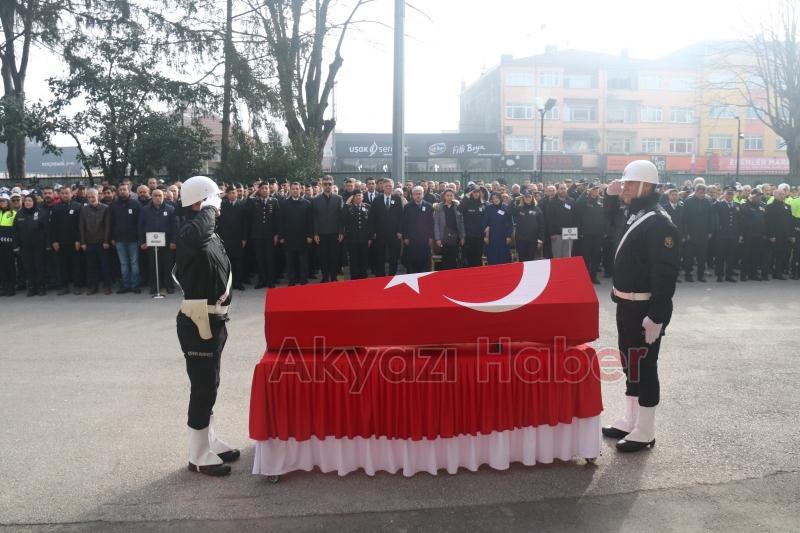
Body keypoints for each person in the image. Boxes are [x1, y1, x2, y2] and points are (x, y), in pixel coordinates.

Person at [602, 160, 679, 453]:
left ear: (646, 186)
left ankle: (645, 430)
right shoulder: (637, 214)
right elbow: (611, 225)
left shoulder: (659, 222)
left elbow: (665, 273)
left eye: (629, 184)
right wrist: (611, 197)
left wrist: (657, 316)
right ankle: (631, 419)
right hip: (626, 304)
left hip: (646, 308)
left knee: (646, 366)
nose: (624, 188)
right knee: (629, 362)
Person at [173, 175, 238, 477]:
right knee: (202, 388)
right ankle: (197, 454)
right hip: (199, 321)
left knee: (211, 384)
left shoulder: (207, 233)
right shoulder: (190, 232)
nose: (220, 204)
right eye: (216, 199)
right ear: (201, 202)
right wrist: (209, 207)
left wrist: (209, 208)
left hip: (214, 319)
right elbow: (197, 235)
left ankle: (209, 440)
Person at [138, 188, 177, 295]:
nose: (158, 197)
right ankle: (155, 287)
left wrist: (174, 241)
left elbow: (174, 226)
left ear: (163, 196)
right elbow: (141, 226)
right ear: (151, 196)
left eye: (160, 195)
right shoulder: (145, 210)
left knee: (167, 265)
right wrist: (142, 242)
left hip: (167, 242)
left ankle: (169, 286)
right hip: (151, 242)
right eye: (155, 195)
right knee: (153, 265)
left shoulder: (170, 209)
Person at [13, 194, 50, 296]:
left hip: (39, 246)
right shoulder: (19, 214)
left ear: (34, 202)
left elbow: (46, 230)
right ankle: (32, 287)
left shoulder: (41, 213)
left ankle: (41, 287)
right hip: (25, 247)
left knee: (39, 266)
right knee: (28, 267)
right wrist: (16, 246)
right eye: (26, 201)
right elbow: (15, 231)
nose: (28, 203)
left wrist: (47, 244)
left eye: (30, 201)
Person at [50, 186, 84, 295]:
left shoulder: (78, 207)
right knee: (62, 266)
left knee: (76, 265)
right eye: (63, 193)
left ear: (71, 194)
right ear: (60, 195)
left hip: (75, 242)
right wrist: (54, 241)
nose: (65, 195)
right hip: (60, 243)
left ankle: (77, 286)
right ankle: (64, 287)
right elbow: (53, 226)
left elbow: (80, 225)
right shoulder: (55, 208)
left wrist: (79, 240)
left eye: (67, 193)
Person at [110, 183, 142, 294]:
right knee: (123, 264)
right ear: (118, 191)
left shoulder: (136, 204)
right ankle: (125, 285)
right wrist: (112, 237)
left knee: (134, 263)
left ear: (129, 191)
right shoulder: (114, 205)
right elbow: (111, 223)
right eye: (120, 190)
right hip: (119, 239)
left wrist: (140, 238)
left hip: (133, 239)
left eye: (124, 189)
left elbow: (140, 222)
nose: (122, 191)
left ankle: (135, 285)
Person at [247, 182, 281, 289]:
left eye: (267, 188)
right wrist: (256, 190)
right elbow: (248, 200)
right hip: (257, 235)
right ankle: (262, 280)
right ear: (259, 190)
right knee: (260, 258)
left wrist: (276, 234)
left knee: (270, 258)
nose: (265, 190)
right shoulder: (254, 201)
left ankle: (270, 281)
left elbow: (277, 219)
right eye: (263, 188)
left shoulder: (274, 201)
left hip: (270, 235)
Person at [279, 182, 313, 286]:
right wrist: (282, 236)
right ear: (290, 190)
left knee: (303, 261)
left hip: (303, 237)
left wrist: (309, 235)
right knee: (290, 261)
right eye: (293, 189)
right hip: (289, 237)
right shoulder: (284, 204)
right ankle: (292, 280)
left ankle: (303, 280)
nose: (295, 190)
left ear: (300, 190)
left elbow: (310, 221)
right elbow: (281, 221)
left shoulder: (306, 203)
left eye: (297, 189)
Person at [79, 189, 112, 295]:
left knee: (105, 265)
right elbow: (81, 226)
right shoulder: (84, 209)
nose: (91, 199)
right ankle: (93, 286)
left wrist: (106, 241)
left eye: (93, 197)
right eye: (89, 197)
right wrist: (83, 242)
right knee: (91, 266)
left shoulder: (105, 208)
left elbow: (107, 226)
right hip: (89, 242)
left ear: (98, 196)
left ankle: (107, 286)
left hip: (102, 242)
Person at [311, 176, 344, 283]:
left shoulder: (339, 198)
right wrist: (315, 233)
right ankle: (325, 277)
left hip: (335, 233)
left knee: (334, 257)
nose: (327, 186)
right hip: (321, 233)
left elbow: (341, 217)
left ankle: (334, 277)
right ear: (322, 185)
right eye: (325, 184)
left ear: (333, 184)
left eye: (329, 184)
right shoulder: (316, 199)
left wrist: (341, 232)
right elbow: (314, 217)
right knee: (323, 257)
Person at [370, 178, 404, 277]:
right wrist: (373, 232)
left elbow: (401, 217)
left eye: (390, 186)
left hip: (394, 233)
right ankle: (380, 275)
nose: (388, 187)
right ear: (383, 187)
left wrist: (400, 231)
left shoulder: (397, 199)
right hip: (380, 233)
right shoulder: (377, 199)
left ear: (393, 187)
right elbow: (372, 217)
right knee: (380, 256)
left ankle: (392, 275)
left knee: (394, 256)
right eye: (386, 186)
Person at [217, 186, 248, 290]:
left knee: (239, 261)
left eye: (234, 192)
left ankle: (238, 283)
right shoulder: (223, 204)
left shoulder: (242, 204)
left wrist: (244, 238)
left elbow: (245, 223)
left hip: (238, 237)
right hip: (226, 237)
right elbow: (220, 222)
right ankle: (229, 283)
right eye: (230, 193)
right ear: (227, 194)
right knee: (228, 262)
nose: (232, 195)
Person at [682, 184, 714, 282]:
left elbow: (710, 218)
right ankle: (688, 274)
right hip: (691, 234)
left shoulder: (708, 202)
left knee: (702, 256)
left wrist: (710, 231)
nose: (702, 195)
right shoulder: (688, 202)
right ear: (695, 192)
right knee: (689, 256)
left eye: (704, 193)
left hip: (703, 233)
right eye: (700, 193)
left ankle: (701, 275)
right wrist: (686, 232)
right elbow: (684, 219)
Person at [577, 182, 605, 283]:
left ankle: (593, 277)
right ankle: (585, 277)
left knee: (596, 256)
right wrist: (585, 193)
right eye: (594, 189)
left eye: (597, 189)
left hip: (598, 233)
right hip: (587, 233)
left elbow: (605, 217)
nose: (596, 191)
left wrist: (604, 231)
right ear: (590, 190)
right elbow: (578, 205)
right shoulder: (584, 200)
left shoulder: (601, 200)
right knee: (586, 256)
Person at [402, 186, 434, 273]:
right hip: (412, 239)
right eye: (416, 194)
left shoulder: (429, 206)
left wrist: (431, 237)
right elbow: (404, 223)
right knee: (411, 261)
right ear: (412, 195)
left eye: (420, 194)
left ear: (423, 194)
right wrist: (405, 237)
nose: (418, 196)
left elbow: (431, 223)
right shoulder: (407, 207)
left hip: (425, 239)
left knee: (425, 260)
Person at [713, 186, 742, 283]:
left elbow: (739, 220)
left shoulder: (737, 205)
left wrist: (739, 234)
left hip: (733, 234)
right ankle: (720, 275)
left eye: (731, 194)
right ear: (724, 195)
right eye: (728, 194)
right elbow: (713, 213)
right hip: (722, 233)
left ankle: (729, 275)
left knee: (731, 256)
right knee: (720, 255)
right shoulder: (719, 204)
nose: (730, 196)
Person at [765, 188, 795, 280]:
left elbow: (790, 222)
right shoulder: (770, 207)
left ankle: (778, 273)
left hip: (785, 235)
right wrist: (771, 235)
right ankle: (765, 273)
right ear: (775, 195)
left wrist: (791, 235)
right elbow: (768, 223)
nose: (783, 196)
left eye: (783, 194)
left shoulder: (787, 206)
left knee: (782, 254)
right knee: (770, 255)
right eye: (780, 194)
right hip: (775, 235)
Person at [740, 188, 769, 281]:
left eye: (760, 196)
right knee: (746, 255)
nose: (759, 197)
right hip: (748, 235)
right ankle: (744, 275)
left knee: (756, 255)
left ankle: (753, 274)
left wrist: (764, 233)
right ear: (752, 196)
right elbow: (743, 217)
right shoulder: (745, 205)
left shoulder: (763, 205)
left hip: (759, 234)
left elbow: (765, 220)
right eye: (757, 196)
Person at [433, 189, 464, 270]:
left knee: (454, 259)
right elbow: (436, 224)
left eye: (451, 195)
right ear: (444, 196)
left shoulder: (457, 206)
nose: (449, 197)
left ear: (454, 196)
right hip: (444, 237)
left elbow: (461, 223)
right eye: (447, 195)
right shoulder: (439, 207)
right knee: (445, 259)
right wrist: (438, 238)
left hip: (455, 237)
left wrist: (462, 237)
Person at [343, 189, 371, 280]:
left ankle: (363, 276)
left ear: (363, 197)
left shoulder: (367, 207)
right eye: (356, 196)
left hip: (364, 238)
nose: (358, 197)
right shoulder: (348, 208)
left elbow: (371, 223)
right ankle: (354, 277)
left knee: (364, 259)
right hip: (352, 239)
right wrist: (347, 204)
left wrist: (370, 237)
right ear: (353, 197)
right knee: (353, 259)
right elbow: (342, 218)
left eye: (360, 195)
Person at [512, 189, 544, 262]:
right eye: (525, 197)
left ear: (532, 197)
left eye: (529, 197)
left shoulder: (537, 209)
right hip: (520, 239)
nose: (527, 198)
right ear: (523, 198)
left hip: (532, 239)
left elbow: (542, 225)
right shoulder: (519, 208)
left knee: (531, 259)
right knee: (522, 259)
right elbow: (509, 210)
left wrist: (540, 239)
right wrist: (515, 199)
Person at [459, 184, 488, 267]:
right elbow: (459, 209)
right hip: (469, 236)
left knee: (478, 257)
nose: (476, 194)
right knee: (469, 257)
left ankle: (477, 276)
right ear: (471, 193)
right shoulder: (467, 203)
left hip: (480, 236)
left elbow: (487, 220)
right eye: (474, 192)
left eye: (478, 192)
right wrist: (466, 196)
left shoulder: (483, 204)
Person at [545, 183, 576, 258]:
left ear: (567, 189)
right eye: (561, 189)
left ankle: (566, 270)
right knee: (557, 256)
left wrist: (574, 230)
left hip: (569, 232)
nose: (563, 190)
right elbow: (549, 219)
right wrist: (552, 233)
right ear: (558, 190)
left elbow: (575, 216)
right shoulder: (552, 202)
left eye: (564, 188)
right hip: (557, 234)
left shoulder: (571, 201)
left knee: (567, 255)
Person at [484, 191, 513, 265]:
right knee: (493, 256)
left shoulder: (506, 207)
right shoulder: (488, 208)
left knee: (504, 256)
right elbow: (485, 223)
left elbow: (510, 223)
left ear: (500, 198)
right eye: (493, 198)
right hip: (492, 236)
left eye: (497, 198)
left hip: (503, 235)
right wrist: (486, 236)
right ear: (491, 200)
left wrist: (509, 236)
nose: (495, 199)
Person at [0, 194, 17, 296]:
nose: (1, 203)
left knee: (10, 266)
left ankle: (11, 287)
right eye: (0, 201)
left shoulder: (13, 213)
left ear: (8, 202)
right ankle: (4, 287)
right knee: (2, 267)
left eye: (3, 201)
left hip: (9, 244)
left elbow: (15, 230)